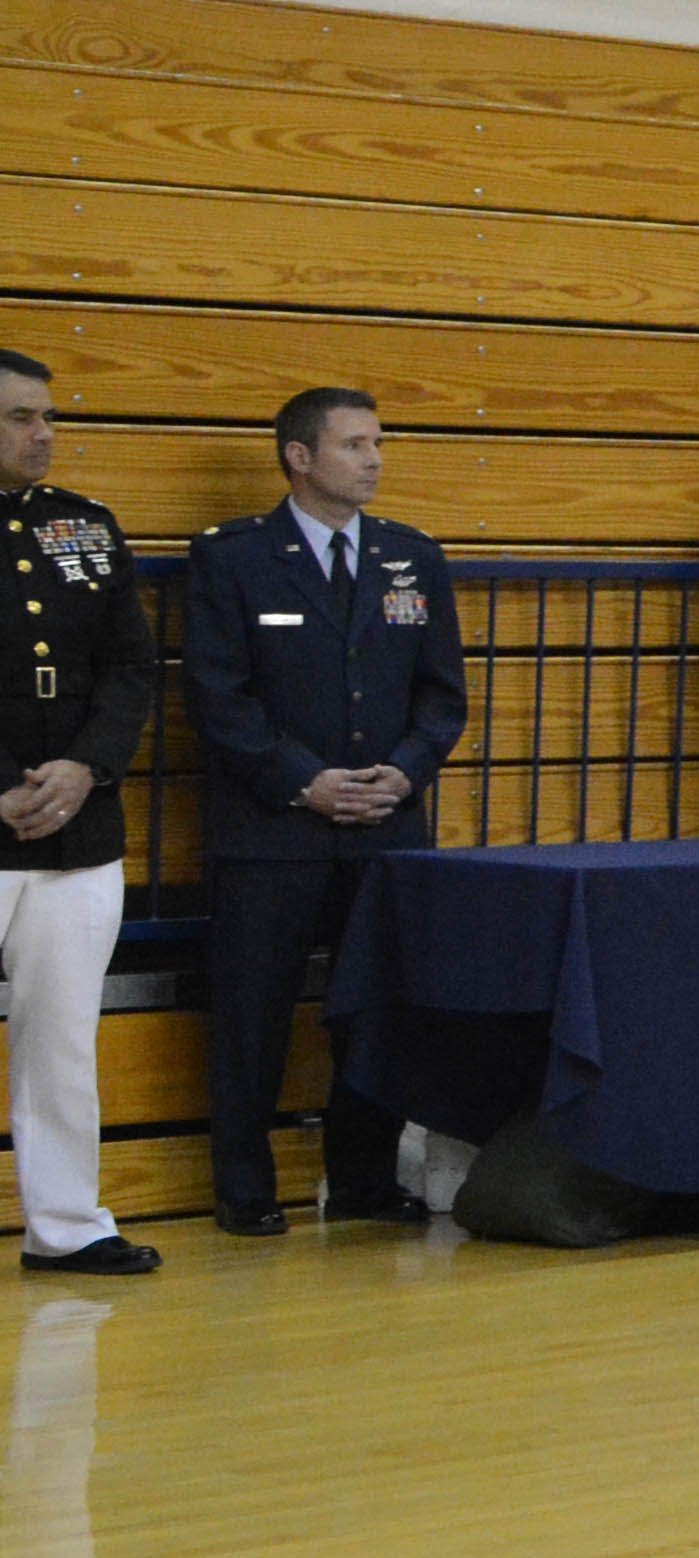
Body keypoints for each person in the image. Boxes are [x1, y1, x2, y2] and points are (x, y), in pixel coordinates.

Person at [181, 388, 463, 1233]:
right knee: (251, 1015)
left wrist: (405, 774)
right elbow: (217, 694)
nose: (374, 459)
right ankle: (245, 1191)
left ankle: (366, 1181)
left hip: (384, 826)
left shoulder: (412, 556)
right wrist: (305, 780)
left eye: (378, 442)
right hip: (272, 829)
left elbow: (441, 696)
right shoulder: (233, 557)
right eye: (353, 445)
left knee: (376, 1011)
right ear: (299, 458)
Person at [0, 348, 162, 1276]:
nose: (44, 434)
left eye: (50, 416)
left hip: (78, 826)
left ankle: (67, 1226)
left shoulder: (86, 526)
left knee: (62, 1039)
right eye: (23, 417)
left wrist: (86, 766)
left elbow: (129, 667)